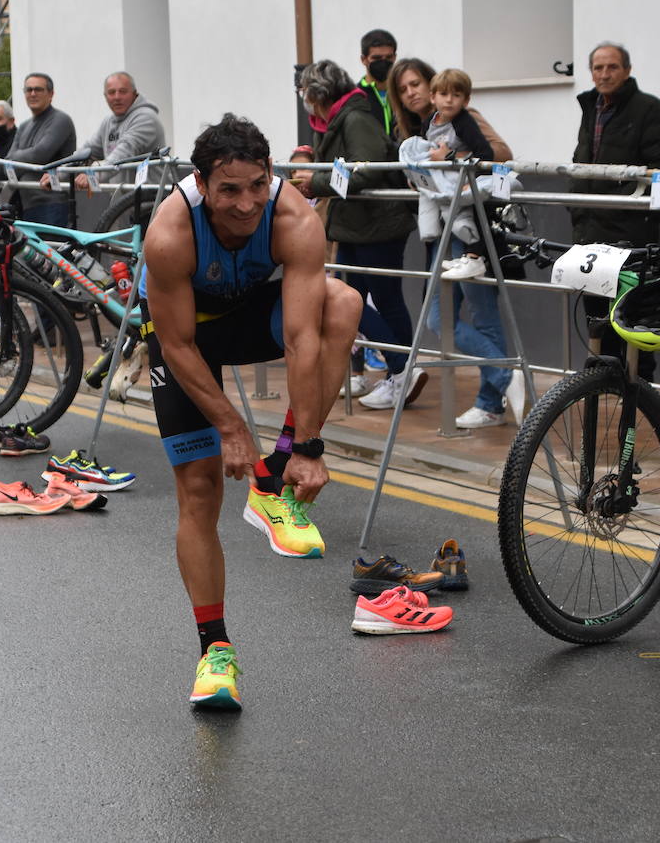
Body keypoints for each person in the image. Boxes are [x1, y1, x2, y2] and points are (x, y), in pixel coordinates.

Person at [141, 113, 361, 709]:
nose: (245, 205)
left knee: (342, 302)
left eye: (257, 186)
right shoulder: (169, 235)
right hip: (186, 341)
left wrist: (305, 448)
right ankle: (214, 651)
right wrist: (232, 427)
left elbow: (301, 338)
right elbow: (179, 345)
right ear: (202, 183)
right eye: (229, 190)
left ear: (271, 176)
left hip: (246, 320)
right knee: (200, 489)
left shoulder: (294, 218)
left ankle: (273, 480)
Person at [294, 59, 427, 411]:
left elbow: (364, 169)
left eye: (306, 91)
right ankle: (401, 372)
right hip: (356, 226)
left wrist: (316, 182)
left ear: (320, 93)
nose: (304, 98)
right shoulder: (340, 117)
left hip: (376, 226)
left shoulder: (353, 118)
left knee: (381, 301)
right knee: (347, 300)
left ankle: (402, 371)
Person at [407, 68, 523, 428]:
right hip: (443, 225)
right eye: (404, 88)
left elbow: (494, 154)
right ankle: (505, 378)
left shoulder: (467, 119)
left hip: (468, 224)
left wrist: (449, 160)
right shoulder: (430, 121)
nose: (412, 93)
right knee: (438, 319)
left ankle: (492, 400)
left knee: (482, 314)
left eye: (416, 85)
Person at [570, 41, 660, 381]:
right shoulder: (591, 107)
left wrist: (632, 209)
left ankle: (641, 389)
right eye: (598, 68)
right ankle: (606, 383)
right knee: (596, 314)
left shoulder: (649, 109)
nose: (604, 74)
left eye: (612, 67)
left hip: (629, 233)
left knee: (633, 314)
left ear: (627, 70)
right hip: (589, 230)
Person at [54, 71, 165, 190]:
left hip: (152, 199)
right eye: (111, 92)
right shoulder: (108, 122)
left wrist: (93, 175)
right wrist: (57, 174)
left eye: (122, 92)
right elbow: (86, 152)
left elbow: (124, 153)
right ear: (105, 96)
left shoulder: (146, 118)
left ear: (134, 94)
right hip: (122, 199)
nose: (117, 97)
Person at [388, 57, 512, 161]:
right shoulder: (411, 128)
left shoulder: (461, 115)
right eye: (402, 90)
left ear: (431, 85)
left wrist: (451, 156)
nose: (410, 93)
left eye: (415, 84)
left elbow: (503, 153)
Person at [6, 72, 76, 225]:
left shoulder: (61, 120)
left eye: (38, 89)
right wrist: (18, 158)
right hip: (27, 204)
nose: (32, 94)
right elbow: (8, 162)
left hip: (53, 203)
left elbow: (40, 154)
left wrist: (16, 157)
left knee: (51, 248)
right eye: (28, 90)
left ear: (50, 94)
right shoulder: (24, 126)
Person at [357, 28, 398, 138]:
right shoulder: (356, 96)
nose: (383, 62)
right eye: (376, 58)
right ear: (363, 59)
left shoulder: (403, 92)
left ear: (395, 57)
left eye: (388, 57)